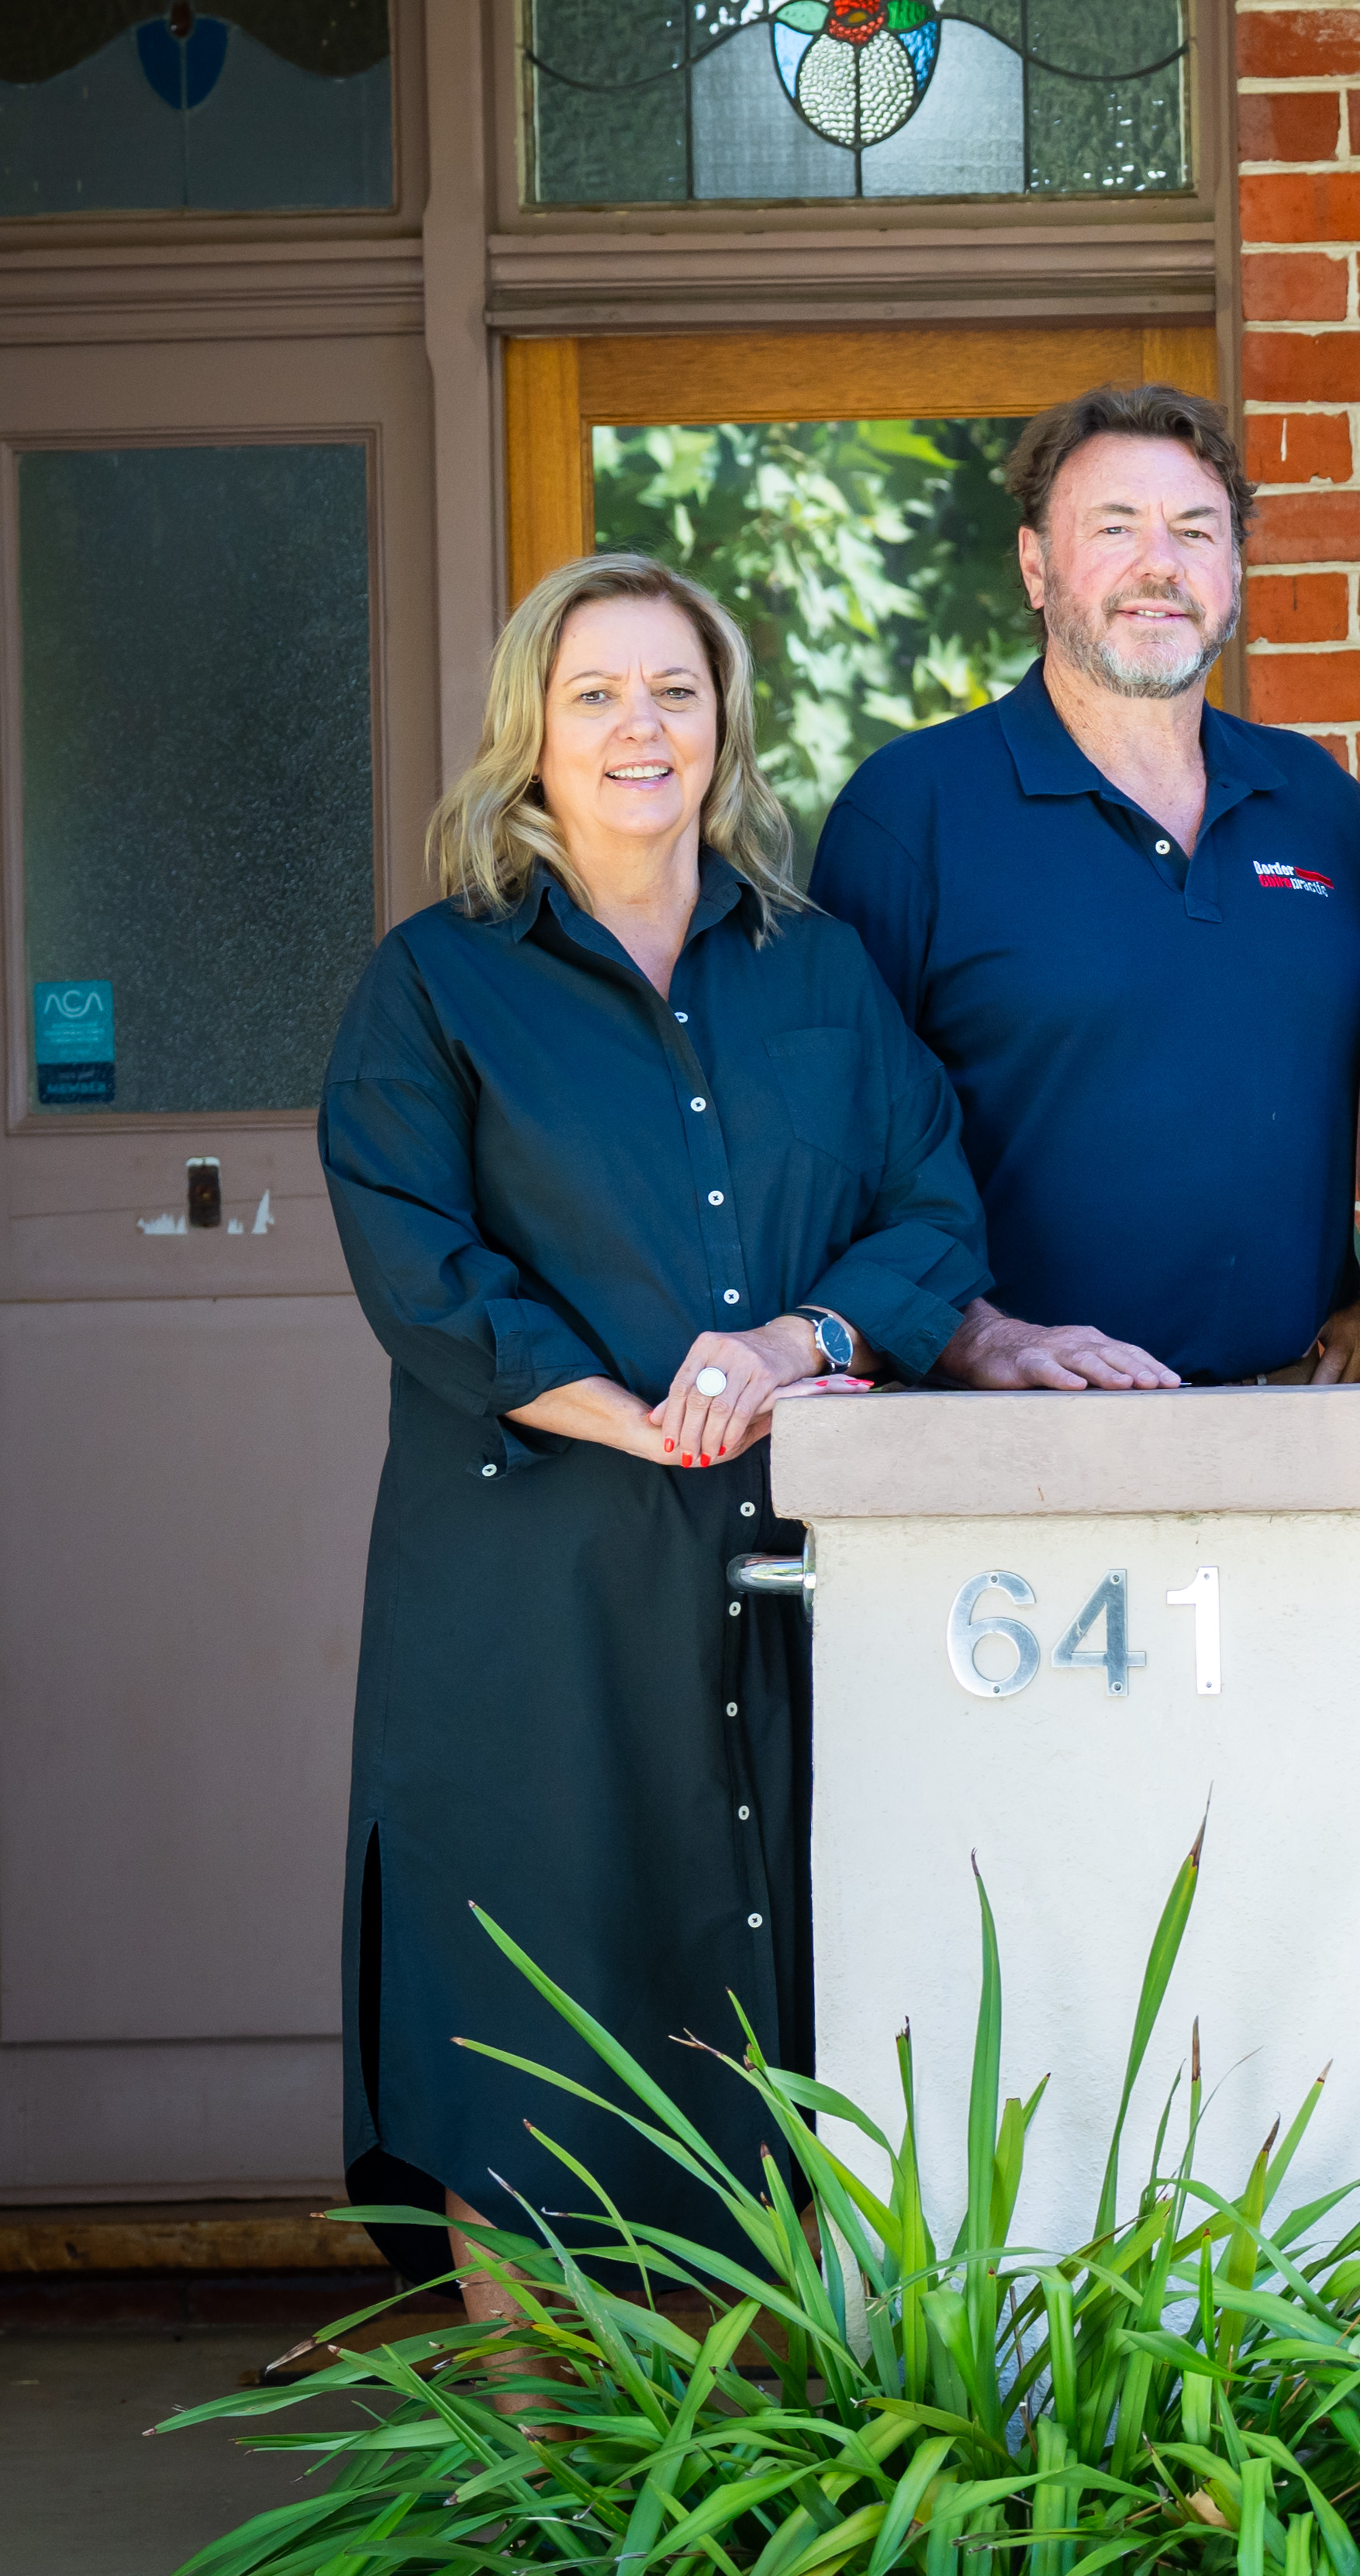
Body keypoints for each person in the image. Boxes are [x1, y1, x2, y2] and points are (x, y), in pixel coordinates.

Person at [322, 554, 984, 2305]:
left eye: (674, 692)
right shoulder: (436, 985)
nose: (639, 728)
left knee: (770, 1995)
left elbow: (933, 1220)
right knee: (526, 1998)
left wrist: (783, 1345)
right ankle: (543, 2510)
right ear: (527, 732)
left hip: (785, 1555)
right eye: (596, 693)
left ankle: (745, 2511)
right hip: (530, 1564)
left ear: (723, 727)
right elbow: (419, 1258)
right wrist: (628, 1416)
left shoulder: (820, 974)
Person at [810, 382, 1360, 1391]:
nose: (1160, 565)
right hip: (1011, 1440)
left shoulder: (1314, 801)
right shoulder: (911, 813)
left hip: (1297, 1426)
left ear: (1232, 569)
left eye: (1195, 531)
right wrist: (976, 1335)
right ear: (1034, 566)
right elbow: (835, 1143)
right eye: (1114, 528)